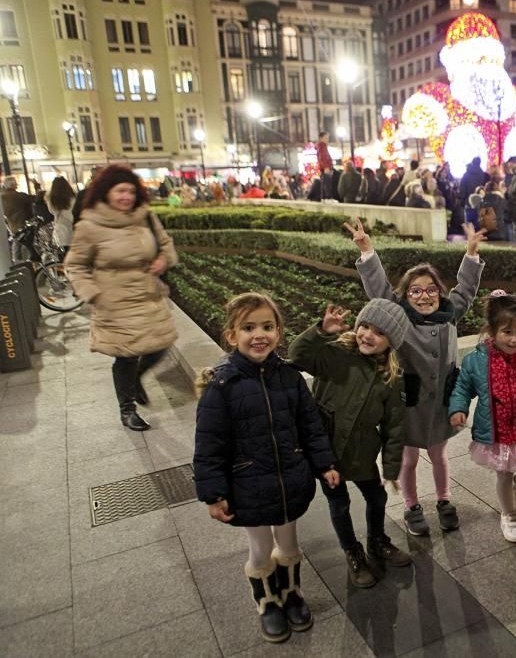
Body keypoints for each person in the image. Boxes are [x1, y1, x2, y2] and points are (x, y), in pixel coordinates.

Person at [193, 292, 338, 643]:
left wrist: (324, 463)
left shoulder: (289, 377)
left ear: (279, 332)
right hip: (247, 485)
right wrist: (214, 494)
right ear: (231, 335)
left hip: (289, 477)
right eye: (248, 327)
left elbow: (310, 425)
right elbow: (209, 446)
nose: (259, 335)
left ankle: (291, 593)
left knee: (288, 543)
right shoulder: (222, 386)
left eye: (267, 326)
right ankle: (267, 601)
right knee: (259, 547)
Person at [346, 219, 486, 536]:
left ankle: (444, 500)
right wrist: (367, 250)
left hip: (440, 404)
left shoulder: (450, 312)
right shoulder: (399, 317)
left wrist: (472, 254)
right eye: (416, 291)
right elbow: (379, 291)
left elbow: (466, 290)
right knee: (408, 460)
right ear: (406, 295)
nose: (424, 297)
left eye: (431, 290)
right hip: (409, 403)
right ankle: (411, 506)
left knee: (439, 456)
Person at [288, 299, 412, 588]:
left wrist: (391, 467)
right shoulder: (335, 353)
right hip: (325, 452)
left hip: (361, 454)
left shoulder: (391, 377)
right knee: (339, 503)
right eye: (365, 326)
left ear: (391, 342)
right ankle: (351, 551)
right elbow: (298, 356)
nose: (368, 335)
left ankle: (377, 540)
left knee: (377, 497)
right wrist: (320, 330)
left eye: (379, 333)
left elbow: (395, 424)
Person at [65, 165, 179, 431]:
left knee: (162, 344)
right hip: (114, 300)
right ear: (107, 192)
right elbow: (75, 266)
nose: (126, 196)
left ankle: (137, 378)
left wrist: (163, 260)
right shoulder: (90, 225)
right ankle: (127, 409)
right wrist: (92, 294)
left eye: (130, 191)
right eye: (120, 191)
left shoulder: (145, 217)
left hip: (148, 293)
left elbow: (166, 243)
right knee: (127, 355)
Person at [448, 291, 516, 543]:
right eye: (507, 332)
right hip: (497, 433)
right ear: (492, 331)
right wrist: (458, 408)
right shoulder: (476, 360)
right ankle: (509, 516)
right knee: (504, 475)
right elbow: (463, 387)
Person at [1, 176, 35, 261]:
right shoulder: (20, 196)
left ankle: (19, 265)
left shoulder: (2, 197)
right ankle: (27, 266)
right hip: (23, 225)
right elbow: (34, 199)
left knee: (16, 247)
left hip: (12, 226)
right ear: (14, 185)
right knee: (25, 247)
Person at [45, 176, 76, 250]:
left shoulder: (51, 200)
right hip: (72, 224)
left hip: (60, 225)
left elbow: (51, 211)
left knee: (62, 251)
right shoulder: (73, 197)